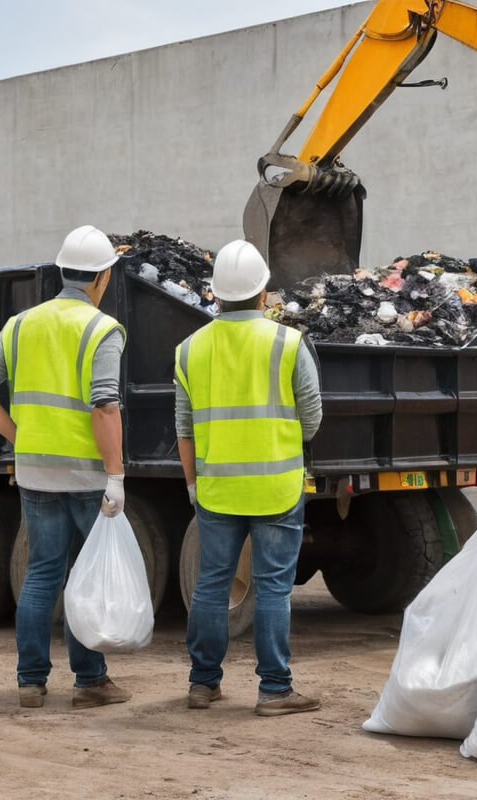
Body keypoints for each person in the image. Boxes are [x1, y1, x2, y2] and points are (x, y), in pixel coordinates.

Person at [0, 224, 131, 710]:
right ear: (102, 277)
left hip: (35, 474)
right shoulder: (102, 329)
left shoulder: (20, 324)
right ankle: (89, 681)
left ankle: (31, 681)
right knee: (84, 577)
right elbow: (105, 406)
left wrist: (20, 437)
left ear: (62, 271)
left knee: (42, 573)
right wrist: (115, 475)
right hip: (85, 476)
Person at [175, 239, 323, 716]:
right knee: (274, 588)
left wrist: (193, 484)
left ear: (216, 296)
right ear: (264, 293)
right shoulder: (288, 343)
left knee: (212, 586)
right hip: (276, 486)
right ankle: (275, 691)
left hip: (217, 488)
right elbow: (313, 418)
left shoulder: (189, 349)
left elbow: (184, 427)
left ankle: (203, 684)